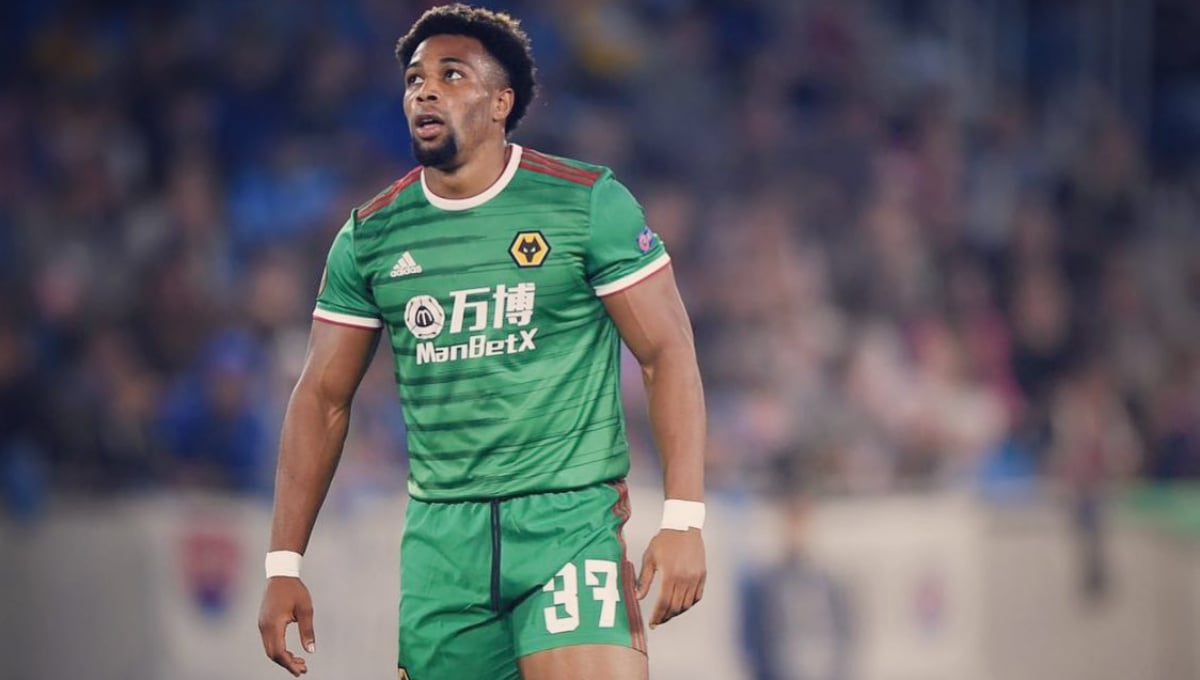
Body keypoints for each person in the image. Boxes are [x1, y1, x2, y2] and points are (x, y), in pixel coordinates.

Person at [255, 5, 707, 679]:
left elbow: (666, 351)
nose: (425, 91)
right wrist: (283, 563)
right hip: (442, 546)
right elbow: (321, 397)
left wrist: (684, 518)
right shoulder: (370, 236)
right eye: (414, 79)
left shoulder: (586, 203)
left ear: (501, 103)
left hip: (567, 523)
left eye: (451, 75)